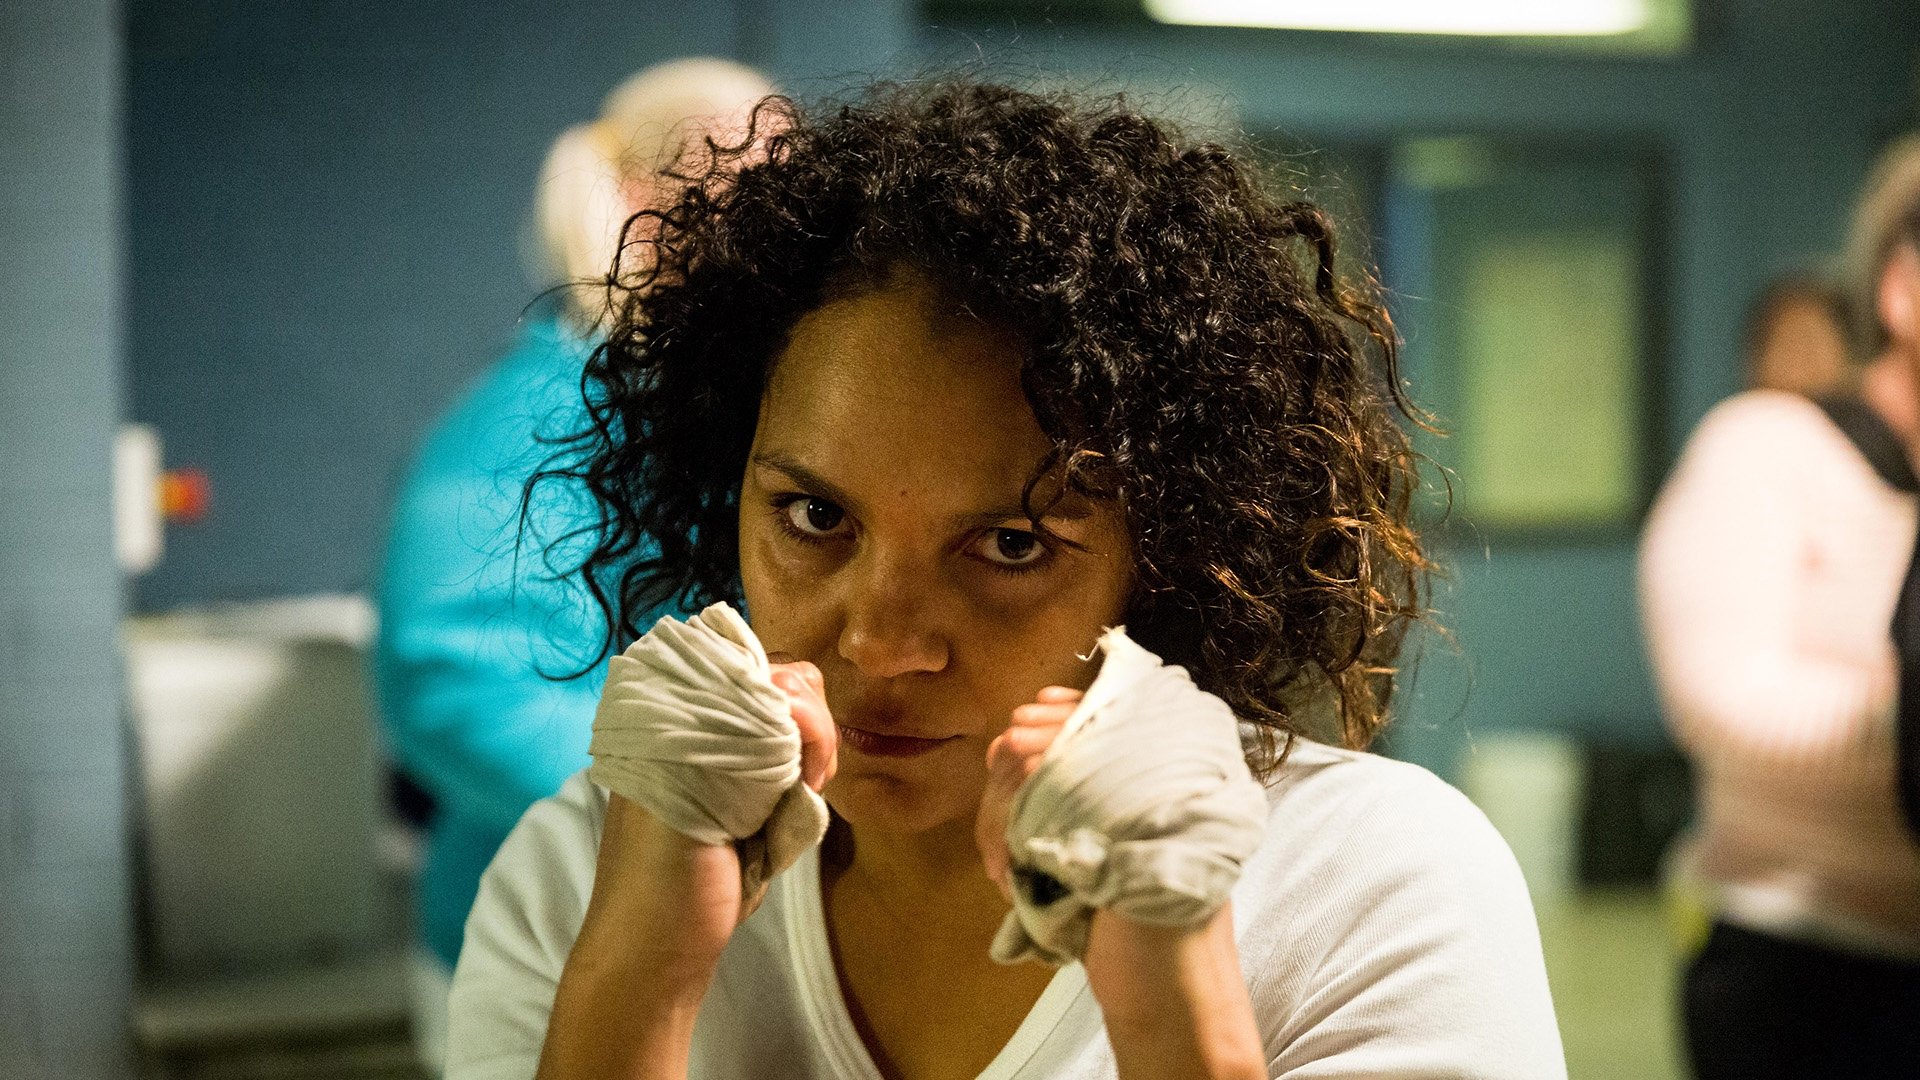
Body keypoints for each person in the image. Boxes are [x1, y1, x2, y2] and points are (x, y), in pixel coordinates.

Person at [446, 81, 1566, 1079]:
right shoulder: (579, 877)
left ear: (1168, 549)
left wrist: (1178, 1000)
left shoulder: (1366, 884)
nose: (882, 644)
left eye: (1011, 546)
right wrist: (641, 973)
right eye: (816, 518)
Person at [372, 57, 774, 1070]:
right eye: (761, 194)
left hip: (695, 936)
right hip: (546, 943)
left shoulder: (716, 408)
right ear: (644, 201)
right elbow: (451, 683)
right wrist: (696, 807)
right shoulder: (544, 419)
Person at [1640, 135, 1920, 1080]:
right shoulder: (1766, 446)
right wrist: (1901, 715)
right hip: (1799, 964)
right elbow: (1723, 698)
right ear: (1899, 291)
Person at [1743, 276, 1852, 395]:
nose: (1802, 359)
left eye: (1811, 342)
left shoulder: (1860, 401)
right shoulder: (1748, 405)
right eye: (1789, 343)